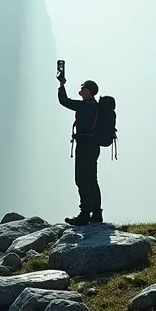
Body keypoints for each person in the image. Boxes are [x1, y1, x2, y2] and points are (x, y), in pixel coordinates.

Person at [57, 75, 103, 225]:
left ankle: (84, 215)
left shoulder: (85, 106)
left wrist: (61, 85)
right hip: (93, 146)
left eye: (83, 87)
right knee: (92, 180)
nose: (80, 89)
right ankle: (96, 214)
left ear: (89, 91)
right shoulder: (95, 106)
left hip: (84, 146)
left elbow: (65, 101)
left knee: (82, 180)